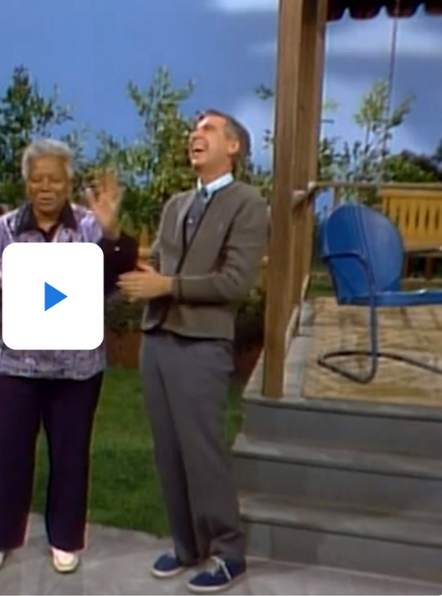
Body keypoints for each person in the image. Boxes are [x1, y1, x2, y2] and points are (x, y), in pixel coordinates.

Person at [0, 138, 138, 574]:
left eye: (55, 178)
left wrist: (113, 235)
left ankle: (66, 538)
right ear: (26, 183)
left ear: (69, 181)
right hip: (11, 366)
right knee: (8, 451)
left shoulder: (91, 228)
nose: (46, 187)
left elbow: (120, 275)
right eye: (37, 179)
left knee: (71, 454)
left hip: (77, 368)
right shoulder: (4, 230)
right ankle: (0, 537)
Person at [118, 110, 268, 593]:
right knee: (169, 451)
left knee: (203, 452)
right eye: (193, 130)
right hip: (157, 340)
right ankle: (187, 546)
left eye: (207, 129)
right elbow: (155, 267)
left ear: (234, 147)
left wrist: (168, 285)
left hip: (202, 344)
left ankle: (228, 552)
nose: (194, 135)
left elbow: (233, 282)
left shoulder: (247, 203)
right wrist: (112, 234)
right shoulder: (177, 204)